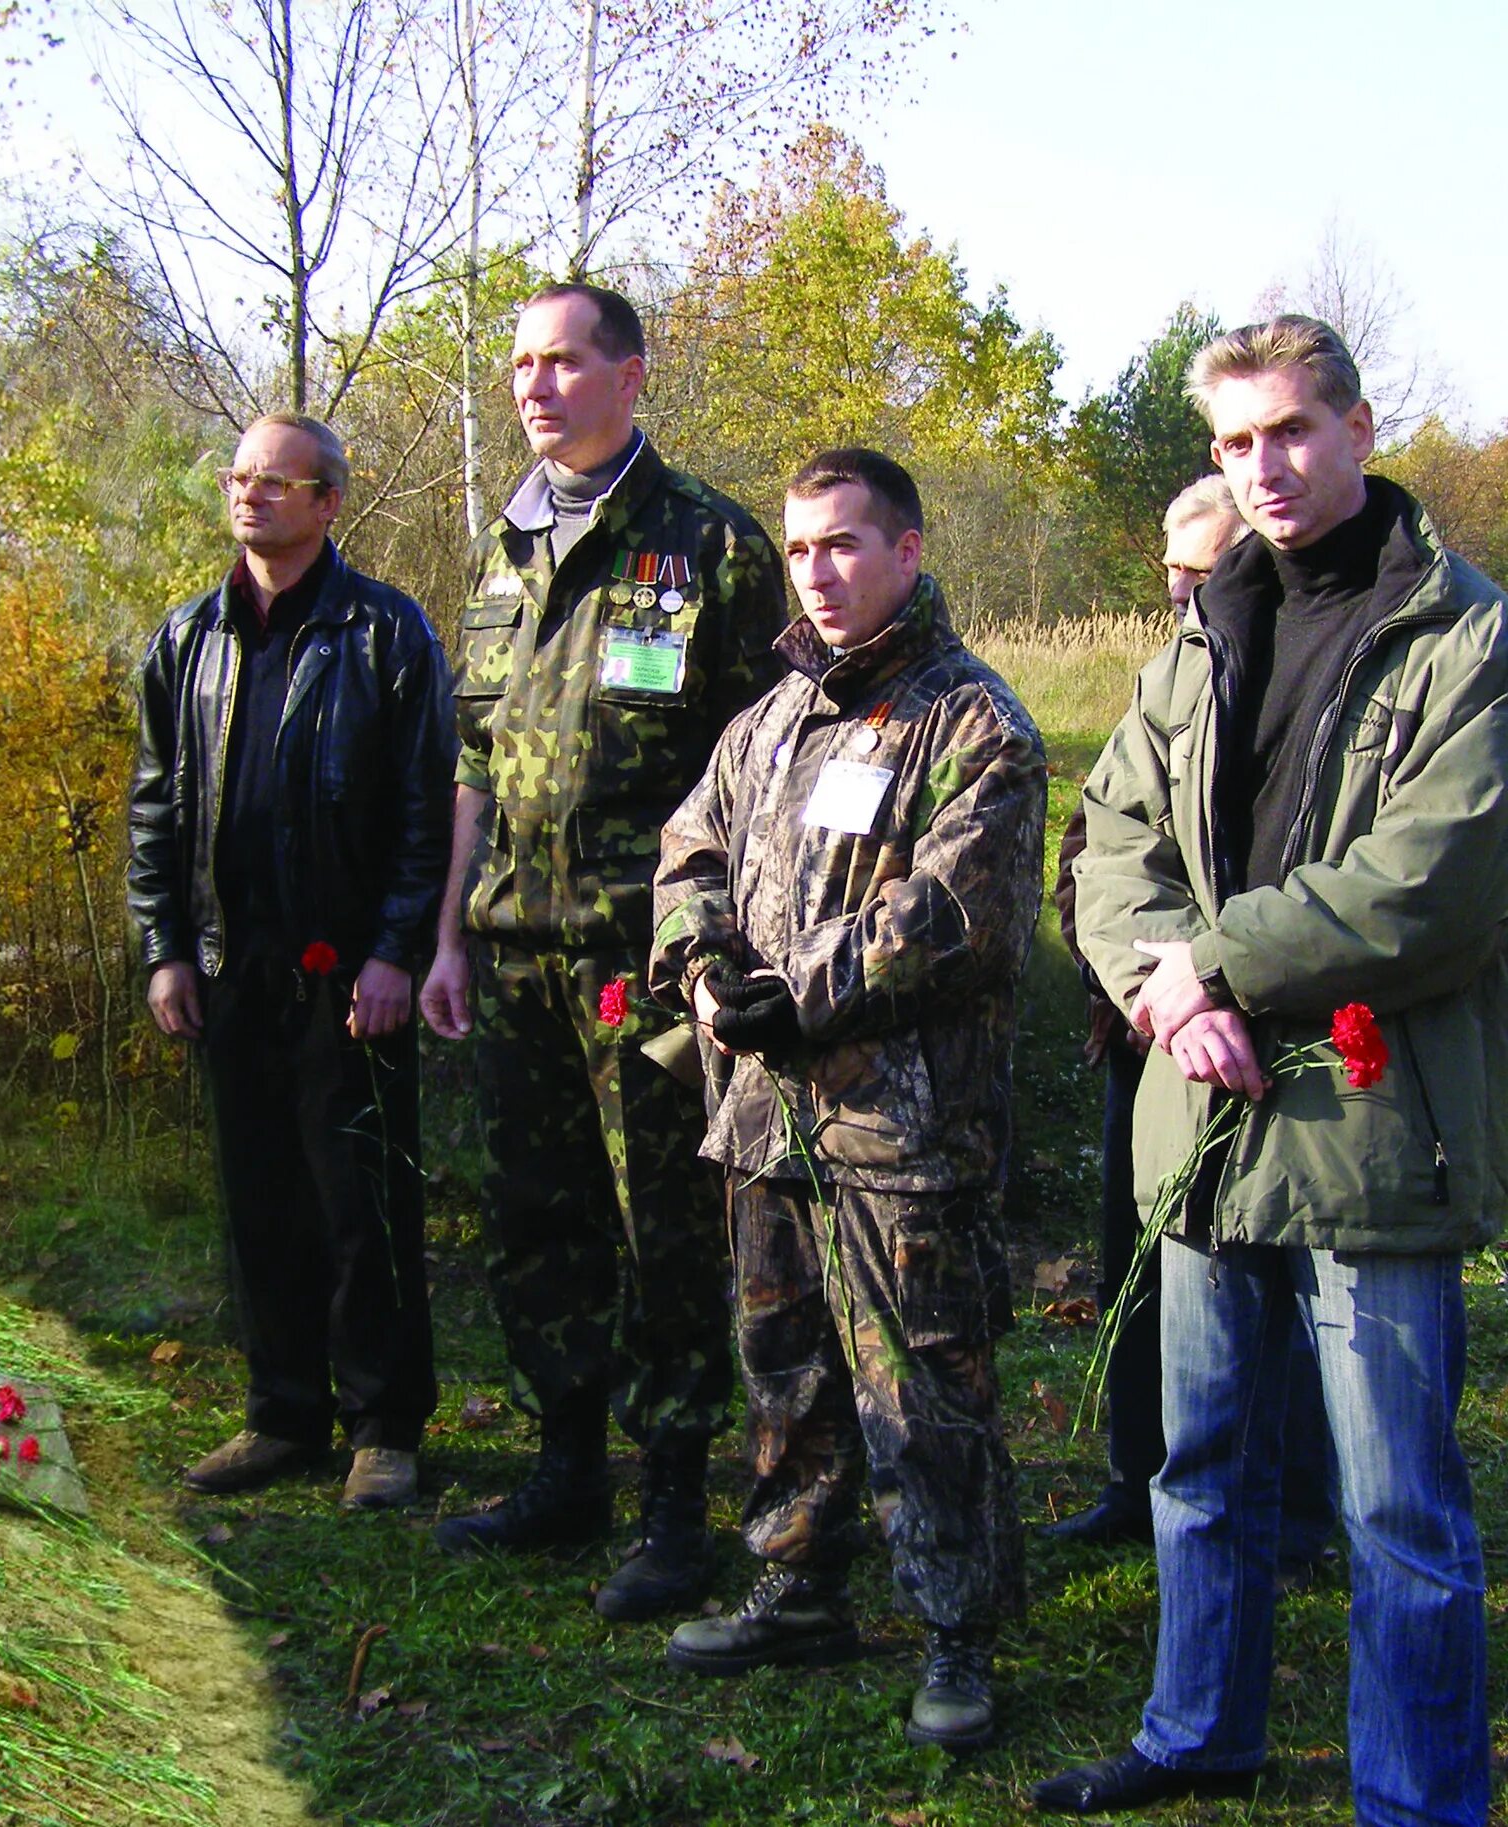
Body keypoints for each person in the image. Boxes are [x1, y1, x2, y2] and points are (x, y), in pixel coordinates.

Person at [1044, 316, 1498, 1823]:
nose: (1264, 469)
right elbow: (1112, 842)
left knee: (1396, 1511)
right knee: (1203, 1463)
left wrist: (1219, 960)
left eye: (1291, 431)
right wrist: (1172, 993)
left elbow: (1437, 877)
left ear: (1363, 426)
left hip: (1371, 1124)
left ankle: (1417, 1797)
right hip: (1204, 1113)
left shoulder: (1466, 636)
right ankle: (1198, 1728)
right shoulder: (1200, 634)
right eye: (1234, 444)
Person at [650, 448, 1043, 1752]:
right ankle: (798, 1584)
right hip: (764, 1117)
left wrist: (794, 992)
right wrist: (705, 962)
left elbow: (954, 913)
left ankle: (958, 1633)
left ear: (908, 552)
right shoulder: (769, 719)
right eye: (802, 545)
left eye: (846, 545)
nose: (818, 570)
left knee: (925, 1382)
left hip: (901, 1130)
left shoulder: (976, 724)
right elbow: (689, 847)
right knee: (788, 1371)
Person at [421, 283, 786, 1622]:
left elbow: (768, 765)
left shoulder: (711, 546)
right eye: (521, 362)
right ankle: (563, 1468)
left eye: (566, 360)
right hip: (516, 950)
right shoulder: (504, 545)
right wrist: (450, 928)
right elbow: (473, 753)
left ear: (630, 375)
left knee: (666, 1236)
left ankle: (679, 1503)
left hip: (650, 959)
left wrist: (731, 953)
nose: (537, 384)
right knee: (541, 1221)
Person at [127, 413, 453, 1511]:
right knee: (260, 1199)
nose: (250, 496)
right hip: (229, 968)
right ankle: (281, 1414)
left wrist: (397, 951)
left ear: (328, 503)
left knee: (359, 1200)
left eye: (277, 482)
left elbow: (424, 810)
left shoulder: (386, 636)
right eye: (238, 478)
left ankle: (383, 1424)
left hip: (348, 973)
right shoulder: (187, 640)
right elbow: (156, 810)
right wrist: (167, 949)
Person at [1042, 477, 1336, 1567]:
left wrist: (1207, 982)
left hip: (1265, 1042)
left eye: (1199, 566)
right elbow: (1102, 846)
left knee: (1284, 1290)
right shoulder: (1171, 669)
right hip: (1144, 1033)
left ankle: (1297, 1509)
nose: (1178, 582)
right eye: (1169, 563)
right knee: (1138, 1267)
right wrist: (1129, 980)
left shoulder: (1291, 669)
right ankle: (1139, 1479)